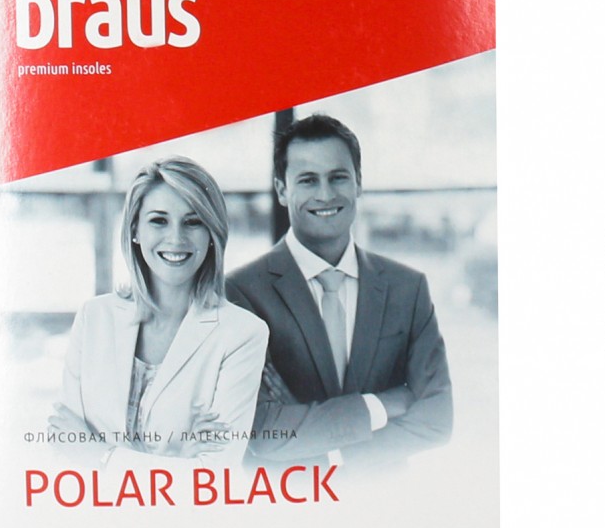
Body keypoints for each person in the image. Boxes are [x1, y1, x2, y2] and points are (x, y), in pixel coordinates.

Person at [226, 112, 453, 469]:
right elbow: (261, 431)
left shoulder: (408, 288)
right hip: (286, 499)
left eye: (338, 177)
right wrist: (381, 405)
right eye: (308, 180)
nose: (325, 194)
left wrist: (324, 444)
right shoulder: (241, 293)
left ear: (358, 183)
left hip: (383, 498)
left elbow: (437, 418)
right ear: (282, 190)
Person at [54, 158, 268, 465]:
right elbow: (64, 447)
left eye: (193, 222)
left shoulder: (243, 334)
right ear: (135, 230)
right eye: (159, 220)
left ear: (212, 234)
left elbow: (212, 475)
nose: (176, 238)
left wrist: (100, 456)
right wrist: (175, 458)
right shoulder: (94, 318)